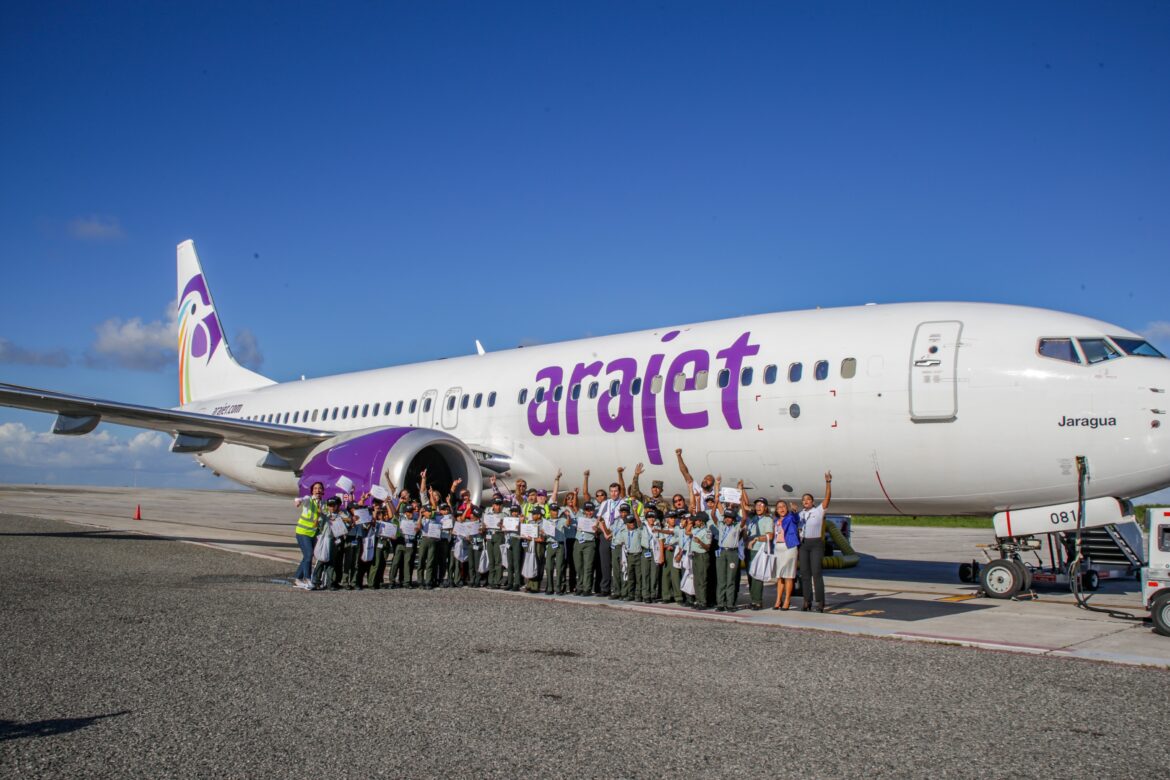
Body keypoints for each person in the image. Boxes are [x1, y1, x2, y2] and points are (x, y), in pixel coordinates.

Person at [798, 472, 833, 612]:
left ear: (812, 502)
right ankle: (807, 601)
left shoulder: (818, 511)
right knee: (805, 574)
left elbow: (827, 498)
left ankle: (820, 602)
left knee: (816, 573)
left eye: (808, 499)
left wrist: (828, 483)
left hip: (816, 543)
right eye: (803, 500)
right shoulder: (800, 514)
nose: (805, 501)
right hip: (804, 544)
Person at [741, 489, 775, 610]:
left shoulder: (768, 519)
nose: (758, 507)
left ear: (765, 507)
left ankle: (758, 601)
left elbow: (770, 536)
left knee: (757, 577)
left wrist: (756, 539)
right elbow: (744, 505)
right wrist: (742, 490)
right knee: (750, 576)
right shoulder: (752, 519)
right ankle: (753, 600)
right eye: (757, 505)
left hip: (758, 550)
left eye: (761, 505)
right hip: (749, 550)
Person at [292, 481, 324, 589]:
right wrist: (298, 502)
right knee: (309, 555)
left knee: (307, 556)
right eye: (315, 488)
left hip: (313, 534)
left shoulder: (322, 504)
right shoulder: (308, 499)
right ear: (312, 491)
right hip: (302, 532)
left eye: (320, 488)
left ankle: (297, 578)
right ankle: (307, 579)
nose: (317, 490)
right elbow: (299, 499)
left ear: (323, 491)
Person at [311, 497, 345, 590]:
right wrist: (319, 515)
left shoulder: (339, 516)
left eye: (334, 506)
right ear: (327, 507)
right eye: (330, 506)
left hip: (334, 540)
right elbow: (317, 524)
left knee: (331, 562)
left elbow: (345, 527)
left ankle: (329, 583)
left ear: (337, 506)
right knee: (321, 560)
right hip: (324, 539)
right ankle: (315, 581)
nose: (332, 508)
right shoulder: (325, 515)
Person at [772, 500, 800, 610]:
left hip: (789, 547)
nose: (782, 509)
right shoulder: (776, 521)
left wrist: (794, 511)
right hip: (778, 548)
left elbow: (796, 519)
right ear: (777, 510)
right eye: (779, 507)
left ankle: (787, 600)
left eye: (783, 506)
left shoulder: (791, 518)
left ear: (787, 509)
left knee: (788, 576)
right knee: (779, 577)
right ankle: (778, 600)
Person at [684, 509, 712, 610]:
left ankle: (703, 602)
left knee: (702, 580)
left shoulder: (707, 531)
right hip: (695, 556)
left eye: (697, 520)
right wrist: (690, 523)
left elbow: (708, 547)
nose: (695, 522)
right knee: (696, 580)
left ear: (702, 521)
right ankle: (698, 600)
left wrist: (700, 542)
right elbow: (687, 532)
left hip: (702, 556)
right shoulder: (696, 530)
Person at [714, 508, 741, 611]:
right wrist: (716, 502)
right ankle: (720, 603)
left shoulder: (736, 526)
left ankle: (730, 604)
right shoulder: (721, 526)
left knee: (731, 579)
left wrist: (741, 504)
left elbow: (744, 520)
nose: (728, 519)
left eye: (730, 518)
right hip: (721, 552)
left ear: (733, 519)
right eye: (726, 517)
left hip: (732, 553)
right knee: (721, 579)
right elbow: (713, 515)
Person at [389, 502, 419, 588]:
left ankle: (407, 582)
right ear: (405, 512)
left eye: (411, 512)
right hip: (401, 542)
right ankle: (392, 581)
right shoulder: (401, 518)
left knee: (407, 563)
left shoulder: (415, 518)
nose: (410, 514)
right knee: (396, 562)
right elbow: (395, 512)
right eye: (409, 512)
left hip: (410, 543)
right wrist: (391, 502)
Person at [573, 500, 599, 596]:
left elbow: (598, 533)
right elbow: (574, 507)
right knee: (579, 566)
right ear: (584, 510)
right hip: (578, 542)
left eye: (591, 510)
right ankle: (579, 586)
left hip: (589, 543)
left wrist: (597, 530)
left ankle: (587, 588)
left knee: (588, 567)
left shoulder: (596, 520)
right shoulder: (579, 517)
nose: (589, 512)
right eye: (587, 510)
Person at [660, 510, 684, 604]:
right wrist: (666, 546)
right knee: (666, 574)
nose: (673, 520)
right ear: (667, 520)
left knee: (675, 575)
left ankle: (678, 596)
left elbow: (681, 540)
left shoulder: (679, 529)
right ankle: (666, 595)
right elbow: (660, 541)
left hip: (676, 551)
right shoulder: (664, 529)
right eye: (671, 518)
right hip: (666, 552)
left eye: (674, 518)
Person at [483, 496, 507, 588]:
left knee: (498, 559)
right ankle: (490, 580)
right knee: (491, 559)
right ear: (493, 505)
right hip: (489, 536)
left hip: (499, 535)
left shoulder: (504, 515)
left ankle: (497, 580)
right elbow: (483, 526)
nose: (498, 506)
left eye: (500, 504)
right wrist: (484, 527)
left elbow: (508, 528)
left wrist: (502, 525)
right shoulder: (488, 514)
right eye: (496, 504)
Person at [504, 503, 524, 591]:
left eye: (516, 511)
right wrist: (503, 527)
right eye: (513, 511)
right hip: (509, 540)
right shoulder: (507, 519)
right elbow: (504, 530)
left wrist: (521, 523)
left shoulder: (521, 519)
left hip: (517, 540)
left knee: (517, 562)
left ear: (519, 512)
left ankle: (517, 583)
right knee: (510, 563)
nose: (514, 513)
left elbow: (525, 531)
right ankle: (509, 582)